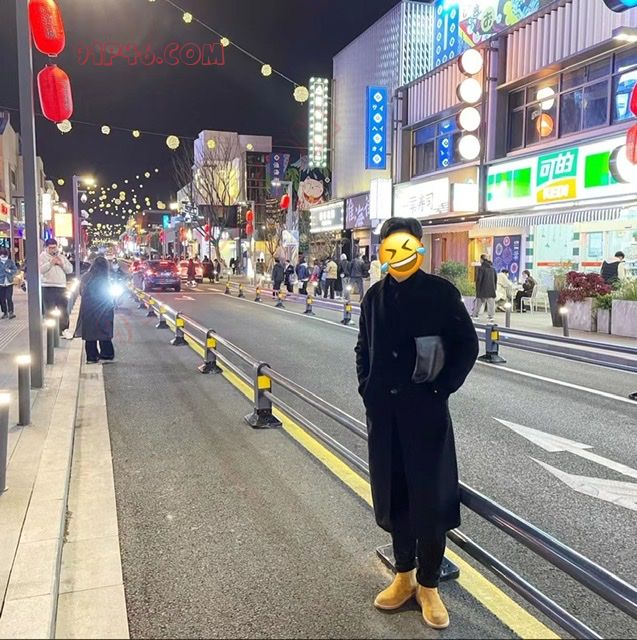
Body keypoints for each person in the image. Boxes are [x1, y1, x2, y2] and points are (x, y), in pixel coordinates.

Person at [355, 217, 478, 630]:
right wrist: (367, 388)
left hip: (425, 415)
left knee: (430, 498)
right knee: (395, 495)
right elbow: (363, 347)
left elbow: (467, 345)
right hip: (384, 416)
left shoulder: (440, 293)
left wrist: (440, 389)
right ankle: (403, 574)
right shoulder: (374, 297)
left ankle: (429, 584)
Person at [75, 256, 115, 364]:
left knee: (90, 334)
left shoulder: (86, 277)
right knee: (104, 332)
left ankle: (91, 357)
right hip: (104, 309)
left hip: (88, 308)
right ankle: (106, 354)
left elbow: (81, 292)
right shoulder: (105, 278)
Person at [40, 238, 73, 336]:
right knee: (49, 310)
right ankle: (52, 332)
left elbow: (70, 270)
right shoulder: (42, 257)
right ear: (46, 248)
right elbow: (40, 270)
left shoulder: (61, 256)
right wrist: (50, 263)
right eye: (51, 248)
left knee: (63, 309)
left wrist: (61, 264)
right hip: (47, 286)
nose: (53, 250)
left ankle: (64, 329)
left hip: (61, 286)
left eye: (55, 247)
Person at [473, 254, 497, 322]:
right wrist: (494, 288)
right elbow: (495, 279)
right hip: (491, 289)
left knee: (478, 303)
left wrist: (477, 289)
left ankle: (475, 315)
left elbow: (479, 280)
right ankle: (491, 316)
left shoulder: (481, 268)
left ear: (481, 260)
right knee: (491, 304)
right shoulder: (493, 269)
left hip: (482, 289)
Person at [0, 247, 18, 319]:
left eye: (5, 255)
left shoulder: (10, 262)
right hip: (1, 283)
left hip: (9, 283)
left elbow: (15, 270)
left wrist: (9, 271)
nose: (3, 256)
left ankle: (11, 312)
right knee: (2, 299)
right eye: (2, 255)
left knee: (9, 298)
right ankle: (5, 312)